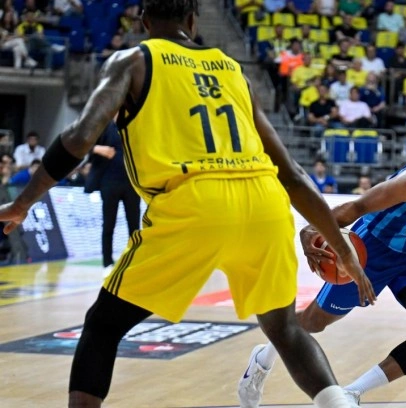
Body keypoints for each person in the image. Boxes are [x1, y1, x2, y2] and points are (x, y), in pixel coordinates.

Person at [0, 1, 376, 407]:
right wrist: (342, 249)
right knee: (285, 329)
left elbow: (79, 137)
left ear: (144, 21)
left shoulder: (134, 61)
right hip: (264, 202)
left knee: (103, 326)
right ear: (193, 21)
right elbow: (293, 174)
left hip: (194, 200)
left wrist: (23, 202)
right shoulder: (232, 70)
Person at [238, 116, 406, 406]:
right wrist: (312, 228)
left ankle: (352, 392)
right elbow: (357, 207)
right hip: (374, 250)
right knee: (314, 322)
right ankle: (262, 359)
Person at [84, 120, 141, 269]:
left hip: (131, 183)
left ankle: (135, 260)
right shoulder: (103, 126)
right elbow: (82, 143)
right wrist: (97, 148)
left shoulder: (135, 124)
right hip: (109, 183)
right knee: (109, 224)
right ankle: (107, 262)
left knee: (134, 225)